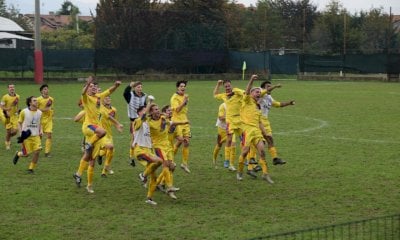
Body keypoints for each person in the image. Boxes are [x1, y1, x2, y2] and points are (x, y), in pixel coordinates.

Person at [72, 76, 121, 193]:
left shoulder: (99, 97)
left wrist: (116, 85)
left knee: (92, 159)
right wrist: (87, 83)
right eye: (91, 86)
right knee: (102, 132)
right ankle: (88, 144)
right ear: (88, 89)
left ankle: (83, 179)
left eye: (94, 86)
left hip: (96, 132)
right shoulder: (86, 98)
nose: (93, 88)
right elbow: (82, 92)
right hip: (89, 127)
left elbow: (109, 91)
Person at [236, 75, 274, 184]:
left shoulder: (258, 107)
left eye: (259, 92)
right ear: (251, 94)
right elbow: (247, 90)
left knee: (262, 152)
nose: (258, 93)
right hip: (247, 131)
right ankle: (239, 172)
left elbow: (259, 122)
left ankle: (265, 174)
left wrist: (266, 134)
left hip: (256, 131)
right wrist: (252, 79)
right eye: (256, 92)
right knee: (244, 152)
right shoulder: (247, 101)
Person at [148, 103, 185, 200]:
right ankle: (169, 188)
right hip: (159, 147)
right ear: (151, 112)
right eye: (155, 109)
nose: (158, 110)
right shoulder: (151, 122)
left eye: (158, 109)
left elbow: (173, 126)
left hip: (168, 147)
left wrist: (183, 123)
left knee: (172, 167)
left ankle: (159, 183)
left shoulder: (164, 119)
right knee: (166, 165)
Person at [132, 103, 163, 205]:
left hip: (149, 150)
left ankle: (149, 198)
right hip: (140, 150)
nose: (146, 111)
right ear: (139, 113)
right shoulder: (137, 121)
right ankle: (143, 175)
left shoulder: (148, 123)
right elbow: (144, 117)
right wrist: (149, 104)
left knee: (154, 177)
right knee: (159, 161)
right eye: (144, 110)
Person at [259, 80, 295, 165]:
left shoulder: (269, 97)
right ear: (263, 88)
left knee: (270, 139)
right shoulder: (260, 93)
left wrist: (289, 103)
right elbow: (266, 91)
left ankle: (275, 158)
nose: (270, 88)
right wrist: (275, 86)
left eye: (270, 86)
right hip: (258, 120)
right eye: (268, 86)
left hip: (266, 121)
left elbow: (278, 104)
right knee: (261, 143)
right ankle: (252, 163)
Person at [214, 79, 244, 171]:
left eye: (228, 86)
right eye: (226, 86)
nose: (227, 87)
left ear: (231, 86)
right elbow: (215, 95)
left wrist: (236, 90)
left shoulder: (237, 93)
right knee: (230, 140)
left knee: (244, 139)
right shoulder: (224, 96)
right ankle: (227, 160)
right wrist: (218, 84)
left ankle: (246, 157)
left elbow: (245, 93)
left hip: (239, 120)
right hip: (230, 121)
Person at [12, 96, 42, 174]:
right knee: (26, 154)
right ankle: (18, 154)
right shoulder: (24, 112)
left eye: (37, 100)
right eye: (34, 101)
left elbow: (40, 123)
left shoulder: (39, 112)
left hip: (36, 136)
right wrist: (21, 132)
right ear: (30, 103)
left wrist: (41, 130)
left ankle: (31, 168)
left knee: (37, 151)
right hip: (26, 137)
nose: (36, 101)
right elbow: (19, 122)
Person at [97, 96, 123, 177]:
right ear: (102, 101)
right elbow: (109, 117)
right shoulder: (101, 109)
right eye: (105, 99)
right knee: (110, 148)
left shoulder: (114, 110)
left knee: (110, 151)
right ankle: (106, 167)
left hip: (109, 133)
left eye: (109, 98)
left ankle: (103, 171)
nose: (108, 100)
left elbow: (113, 120)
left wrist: (117, 127)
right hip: (101, 133)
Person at [123, 81, 147, 167]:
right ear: (134, 88)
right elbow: (125, 93)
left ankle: (143, 153)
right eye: (138, 87)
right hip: (134, 121)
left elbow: (145, 107)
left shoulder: (144, 96)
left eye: (141, 87)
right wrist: (129, 85)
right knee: (134, 139)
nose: (140, 89)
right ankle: (132, 157)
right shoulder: (130, 95)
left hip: (142, 121)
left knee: (145, 137)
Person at [170, 80, 191, 173]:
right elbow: (177, 110)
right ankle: (171, 160)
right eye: (181, 86)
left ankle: (184, 164)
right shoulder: (174, 98)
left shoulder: (185, 96)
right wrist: (184, 101)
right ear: (177, 87)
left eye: (184, 86)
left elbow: (184, 110)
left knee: (186, 142)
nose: (183, 88)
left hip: (185, 122)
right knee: (180, 141)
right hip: (177, 122)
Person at [212, 102, 234, 169]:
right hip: (222, 127)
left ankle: (230, 163)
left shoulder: (236, 104)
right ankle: (214, 159)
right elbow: (221, 118)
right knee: (219, 144)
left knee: (231, 143)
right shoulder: (223, 105)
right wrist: (230, 116)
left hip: (231, 127)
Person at [37, 84, 54, 157]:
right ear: (41, 91)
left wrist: (52, 113)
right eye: (44, 89)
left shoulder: (51, 99)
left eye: (47, 89)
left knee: (49, 135)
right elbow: (36, 109)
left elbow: (51, 108)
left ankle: (47, 152)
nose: (46, 90)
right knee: (39, 136)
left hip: (48, 120)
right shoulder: (38, 99)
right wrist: (45, 110)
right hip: (40, 120)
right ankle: (37, 147)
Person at [1, 84, 20, 150]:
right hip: (7, 116)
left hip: (14, 116)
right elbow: (1, 107)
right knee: (9, 131)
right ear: (8, 89)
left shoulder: (17, 96)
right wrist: (7, 110)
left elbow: (17, 105)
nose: (12, 88)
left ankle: (8, 137)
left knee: (15, 131)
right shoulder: (5, 97)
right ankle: (7, 143)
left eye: (13, 87)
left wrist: (17, 112)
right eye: (10, 87)